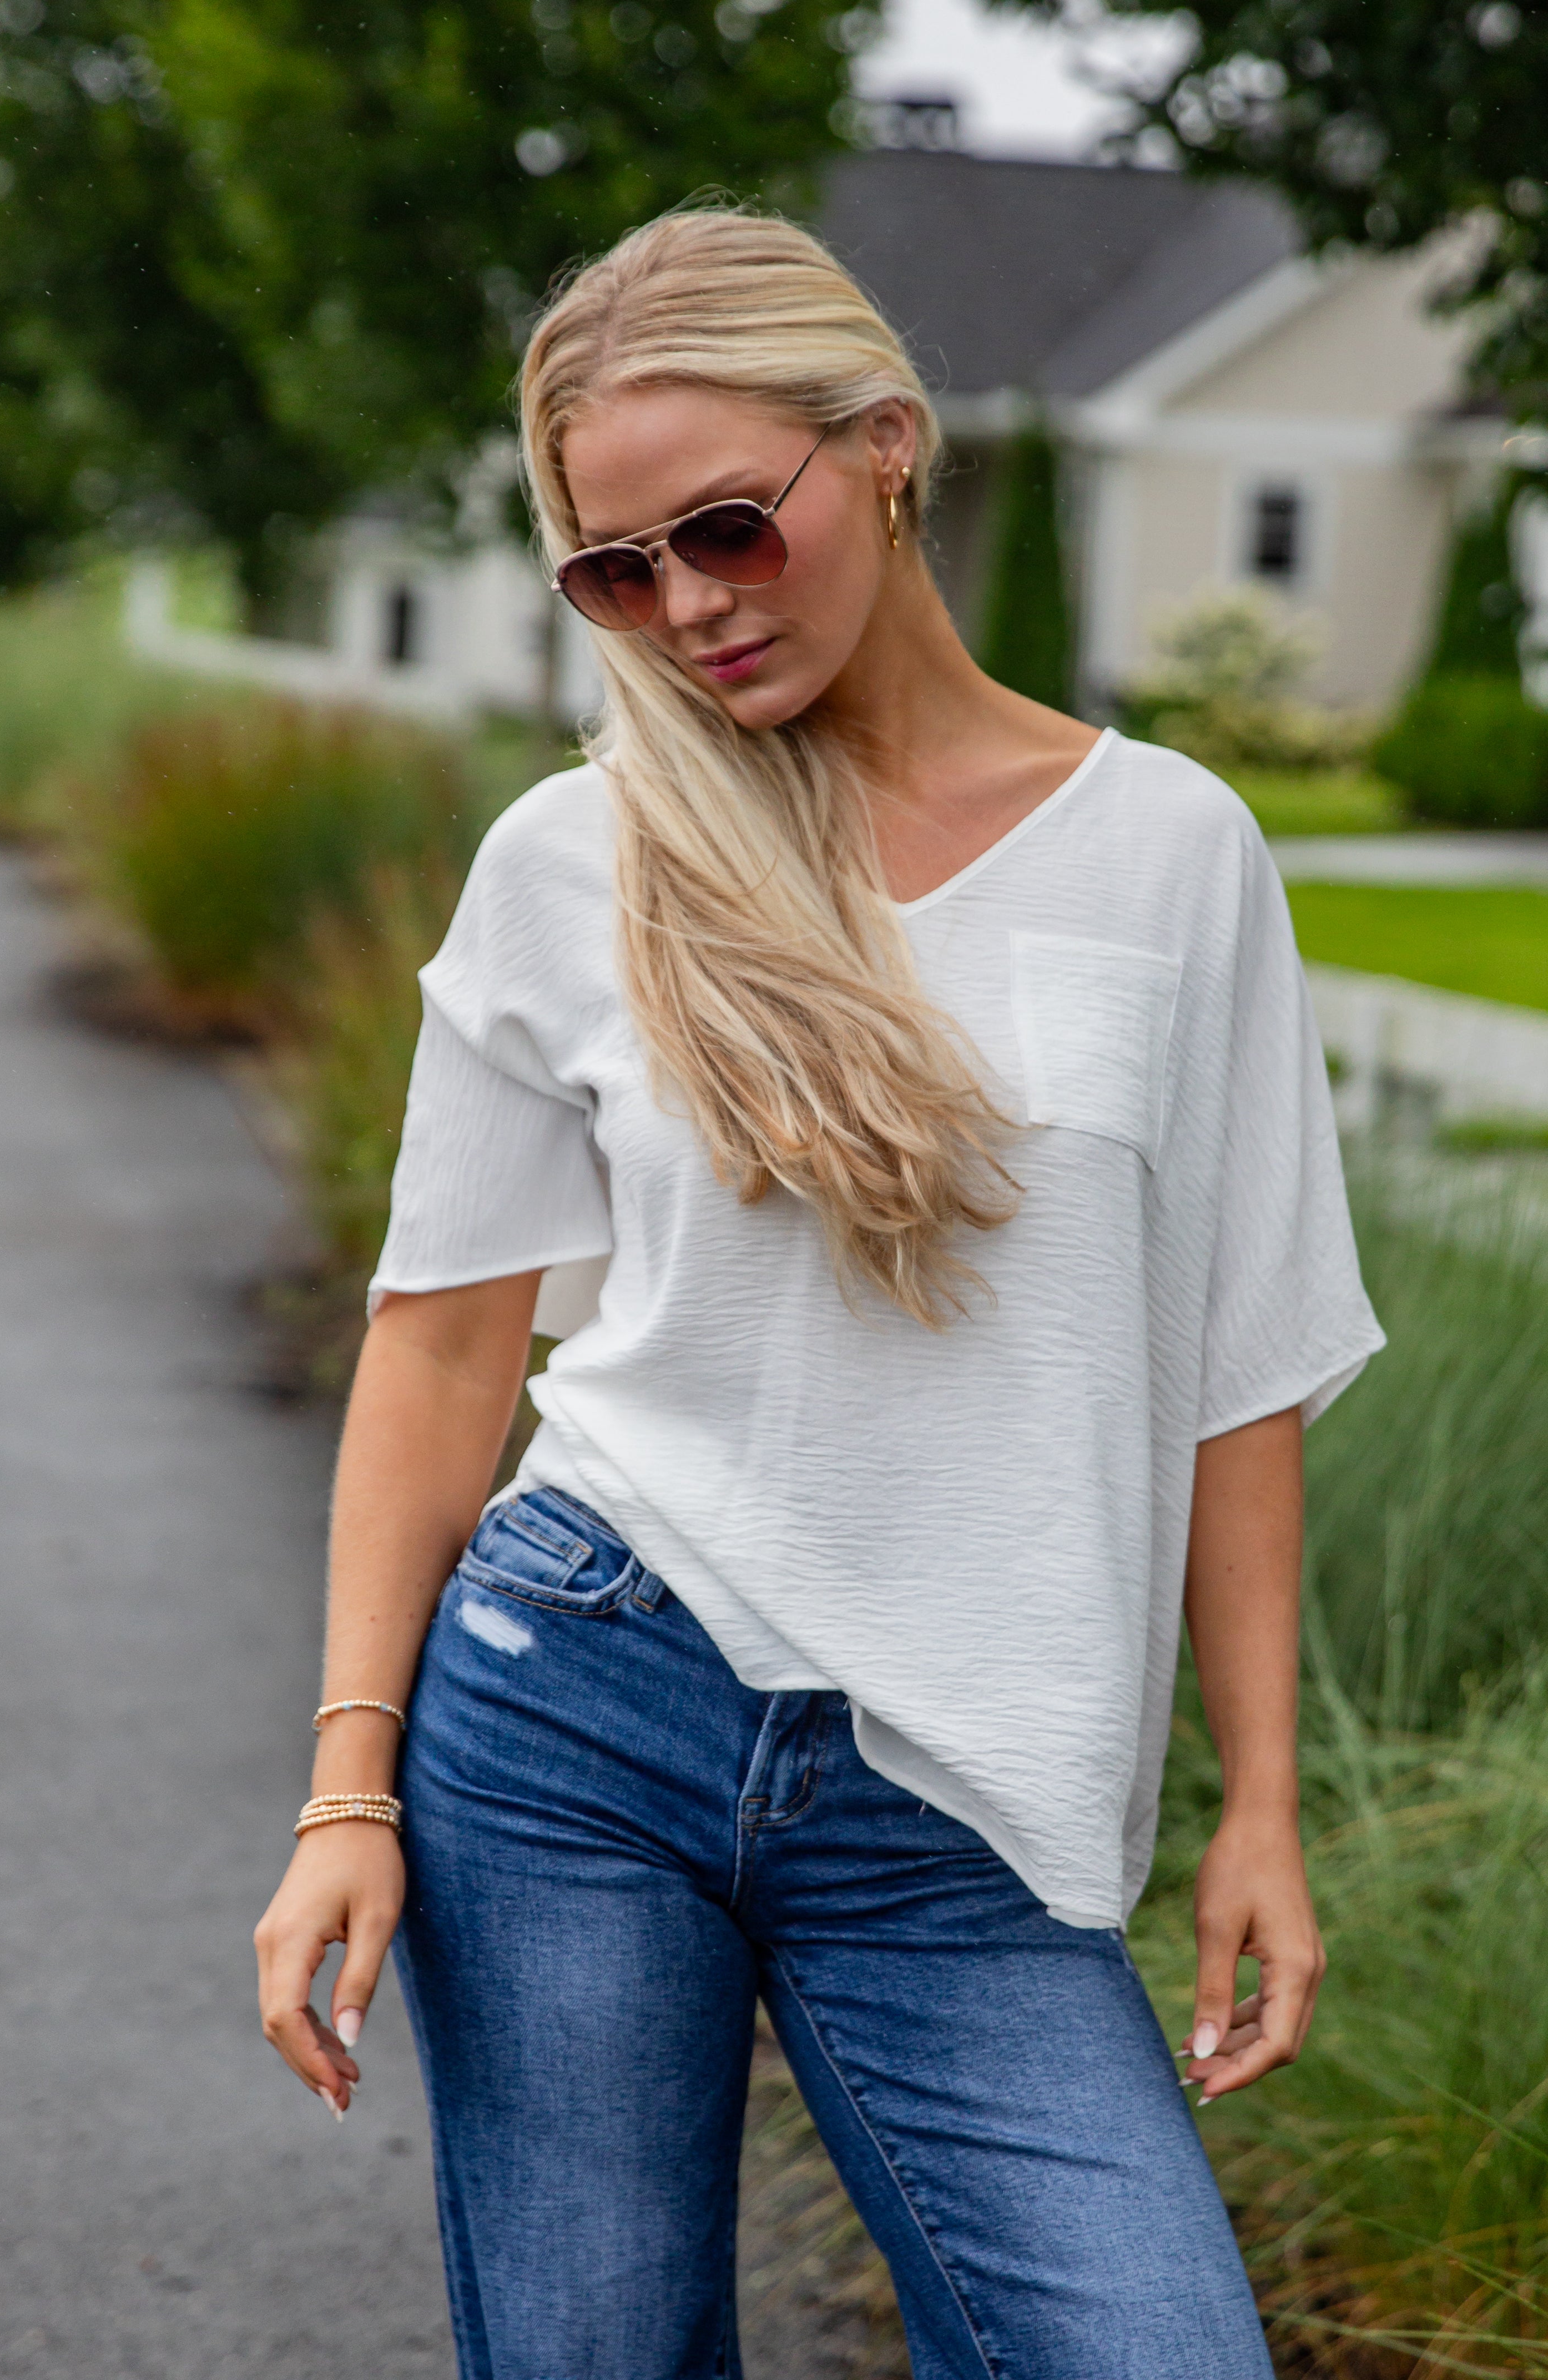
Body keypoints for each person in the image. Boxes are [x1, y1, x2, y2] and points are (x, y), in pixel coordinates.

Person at [254, 207, 1383, 2379]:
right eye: (616, 568)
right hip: (580, 1712)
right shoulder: (571, 860)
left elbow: (1237, 1361)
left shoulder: (1170, 849)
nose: (684, 610)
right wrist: (344, 1795)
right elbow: (444, 1343)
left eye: (726, 532)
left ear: (882, 449)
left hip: (971, 1791)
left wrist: (1260, 1803)